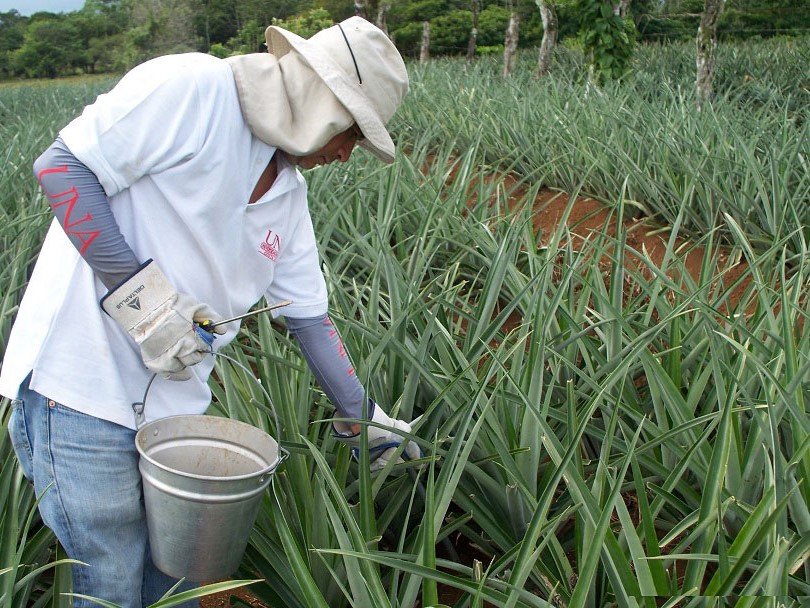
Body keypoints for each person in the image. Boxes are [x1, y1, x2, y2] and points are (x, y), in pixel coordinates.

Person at [0, 16, 420, 608]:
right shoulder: (194, 90)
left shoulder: (288, 195)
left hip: (172, 407)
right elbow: (64, 168)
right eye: (352, 133)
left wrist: (363, 414)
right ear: (323, 105)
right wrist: (147, 306)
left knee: (176, 578)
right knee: (111, 578)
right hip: (81, 389)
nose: (349, 153)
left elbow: (306, 317)